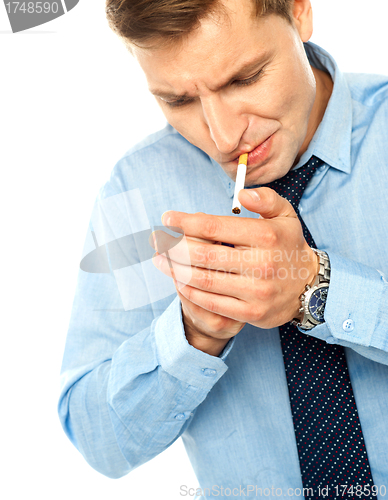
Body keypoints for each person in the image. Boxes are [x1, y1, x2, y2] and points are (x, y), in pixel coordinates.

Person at [58, 0, 388, 496]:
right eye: (179, 100)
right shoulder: (138, 188)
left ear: (299, 12)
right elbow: (101, 442)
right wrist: (192, 334)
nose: (223, 135)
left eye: (244, 78)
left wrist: (314, 288)